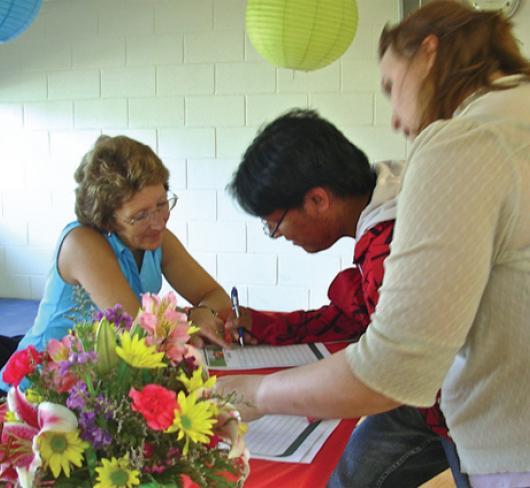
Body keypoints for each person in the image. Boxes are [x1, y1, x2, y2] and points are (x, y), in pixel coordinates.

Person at [218, 2, 530, 486]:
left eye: (390, 87)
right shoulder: (512, 116)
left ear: (429, 54)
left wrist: (257, 393)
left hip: (498, 427)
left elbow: (395, 362)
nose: (396, 121)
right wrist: (262, 325)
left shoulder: (459, 142)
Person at [226, 108, 467, 487]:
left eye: (274, 224)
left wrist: (259, 393)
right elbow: (362, 318)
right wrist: (268, 325)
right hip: (426, 396)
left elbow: (384, 372)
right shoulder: (390, 192)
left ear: (318, 200)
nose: (279, 235)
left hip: (465, 406)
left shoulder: (391, 242)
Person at [0, 135, 231, 393]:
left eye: (162, 204)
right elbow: (138, 332)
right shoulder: (82, 243)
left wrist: (204, 313)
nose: (158, 222)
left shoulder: (157, 238)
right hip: (38, 387)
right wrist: (189, 321)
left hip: (103, 382)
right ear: (106, 219)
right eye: (140, 215)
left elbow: (215, 295)